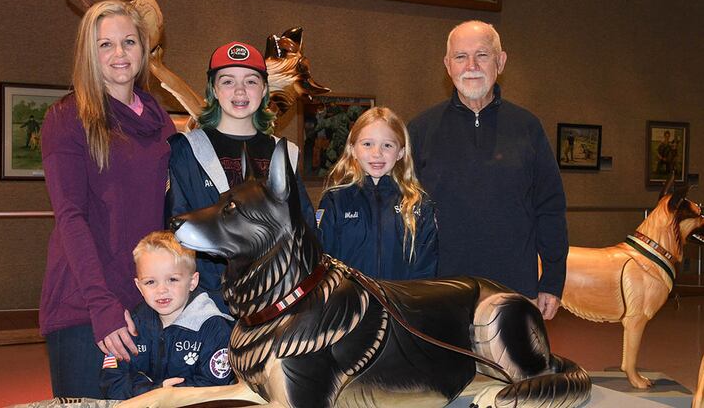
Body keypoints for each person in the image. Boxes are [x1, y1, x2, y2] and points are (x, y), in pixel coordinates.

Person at [39, 0, 175, 398]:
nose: (119, 54)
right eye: (105, 45)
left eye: (129, 41)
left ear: (144, 48)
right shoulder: (67, 117)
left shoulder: (158, 118)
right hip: (87, 306)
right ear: (89, 52)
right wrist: (102, 306)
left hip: (148, 302)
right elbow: (70, 217)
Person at [408, 20, 568, 320]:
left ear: (500, 61)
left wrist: (552, 281)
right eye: (460, 57)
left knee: (511, 369)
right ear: (447, 65)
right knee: (449, 368)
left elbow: (550, 208)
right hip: (441, 291)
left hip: (515, 291)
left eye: (482, 55)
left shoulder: (528, 128)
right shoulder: (420, 130)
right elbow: (402, 213)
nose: (471, 65)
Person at [166, 41, 316, 313]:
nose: (239, 91)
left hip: (274, 308)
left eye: (250, 81)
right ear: (213, 89)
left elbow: (303, 231)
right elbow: (174, 233)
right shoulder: (186, 150)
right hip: (206, 305)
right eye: (227, 81)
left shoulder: (285, 154)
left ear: (265, 89)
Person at [101, 231, 234, 399]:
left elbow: (215, 389)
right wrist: (154, 391)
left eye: (172, 279)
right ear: (139, 286)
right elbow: (111, 381)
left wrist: (172, 396)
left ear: (192, 282)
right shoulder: (133, 325)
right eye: (150, 282)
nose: (161, 290)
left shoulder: (214, 329)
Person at [317, 107, 439, 279]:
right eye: (367, 144)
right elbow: (322, 263)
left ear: (400, 153)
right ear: (353, 149)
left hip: (401, 304)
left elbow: (426, 269)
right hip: (349, 303)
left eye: (387, 145)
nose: (377, 153)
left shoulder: (418, 204)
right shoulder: (335, 201)